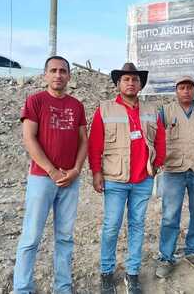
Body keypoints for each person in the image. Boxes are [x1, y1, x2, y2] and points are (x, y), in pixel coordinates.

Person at [88, 62, 166, 294]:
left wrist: (157, 162)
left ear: (140, 84)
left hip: (143, 180)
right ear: (118, 84)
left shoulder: (152, 110)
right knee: (111, 226)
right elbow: (94, 145)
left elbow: (160, 139)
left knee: (137, 226)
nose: (131, 83)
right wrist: (96, 172)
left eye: (135, 79)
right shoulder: (105, 109)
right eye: (126, 79)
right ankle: (106, 273)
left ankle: (132, 274)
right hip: (115, 179)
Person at [13, 56, 88, 294]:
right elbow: (29, 138)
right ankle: (22, 288)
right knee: (31, 237)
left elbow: (83, 140)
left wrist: (76, 170)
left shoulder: (77, 105)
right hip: (42, 179)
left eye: (63, 71)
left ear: (69, 76)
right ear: (45, 74)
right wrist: (52, 171)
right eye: (53, 70)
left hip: (70, 181)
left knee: (65, 238)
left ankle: (63, 288)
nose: (58, 75)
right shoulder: (35, 101)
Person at [155, 76, 194, 279]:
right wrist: (157, 163)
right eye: (182, 88)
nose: (186, 91)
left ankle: (193, 251)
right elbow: (155, 138)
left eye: (189, 88)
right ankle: (166, 257)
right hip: (173, 170)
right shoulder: (166, 111)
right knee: (169, 215)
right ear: (176, 91)